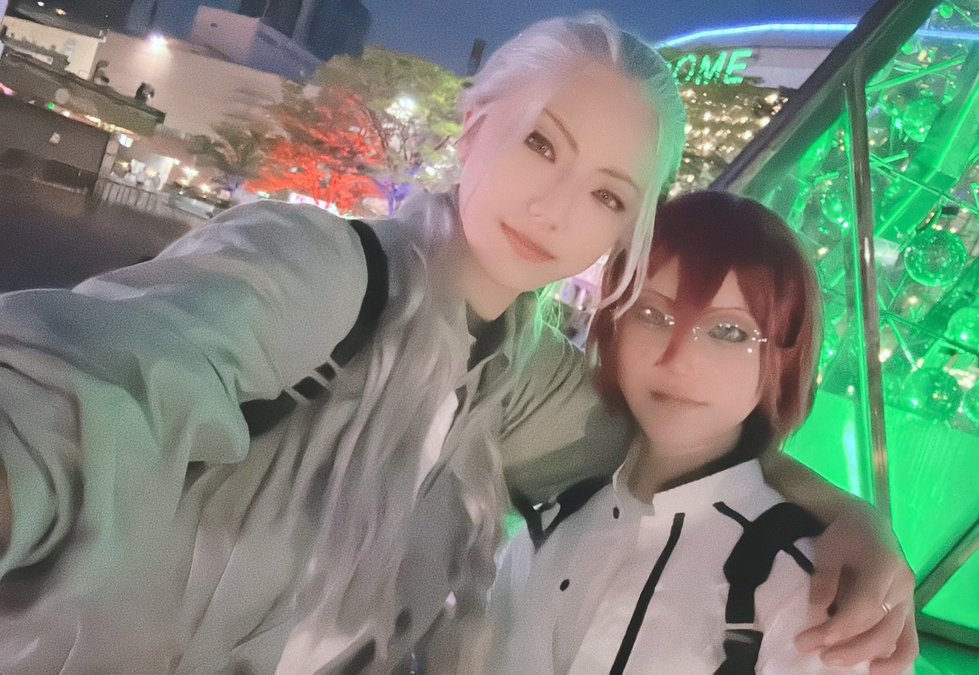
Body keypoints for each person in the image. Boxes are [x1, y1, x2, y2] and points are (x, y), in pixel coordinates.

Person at [0, 14, 914, 675]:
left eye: (608, 194)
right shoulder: (318, 272)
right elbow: (96, 383)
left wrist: (849, 516)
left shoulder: (526, 384)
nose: (555, 208)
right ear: (475, 126)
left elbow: (675, 449)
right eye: (542, 144)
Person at [488, 191, 910, 674]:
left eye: (728, 331)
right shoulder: (556, 520)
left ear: (784, 360)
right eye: (652, 314)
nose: (678, 358)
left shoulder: (802, 587)